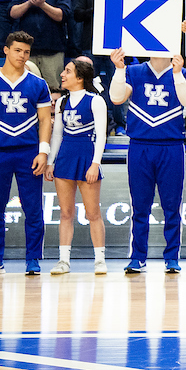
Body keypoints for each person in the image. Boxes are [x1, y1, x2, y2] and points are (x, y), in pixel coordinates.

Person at [0, 31, 53, 276]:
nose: (22, 55)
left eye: (26, 52)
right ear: (6, 50)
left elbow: (46, 120)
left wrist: (43, 152)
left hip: (29, 152)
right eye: (17, 50)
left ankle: (33, 259)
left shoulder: (38, 84)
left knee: (34, 210)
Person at [109, 49, 186, 273]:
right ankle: (138, 256)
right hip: (140, 145)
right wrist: (119, 70)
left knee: (172, 206)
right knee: (140, 206)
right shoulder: (133, 71)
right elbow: (117, 98)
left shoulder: (184, 72)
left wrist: (177, 74)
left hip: (171, 146)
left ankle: (172, 257)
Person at [44, 59, 107, 275]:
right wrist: (51, 162)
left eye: (68, 71)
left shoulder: (95, 101)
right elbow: (58, 134)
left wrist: (95, 164)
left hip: (86, 155)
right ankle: (63, 261)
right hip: (65, 157)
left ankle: (100, 260)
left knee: (93, 213)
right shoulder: (61, 102)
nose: (62, 74)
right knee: (65, 212)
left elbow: (101, 135)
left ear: (80, 78)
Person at [9, 0, 71, 89]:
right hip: (27, 52)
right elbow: (12, 13)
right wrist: (29, 3)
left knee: (53, 88)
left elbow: (62, 16)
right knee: (26, 88)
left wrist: (42, 5)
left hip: (53, 51)